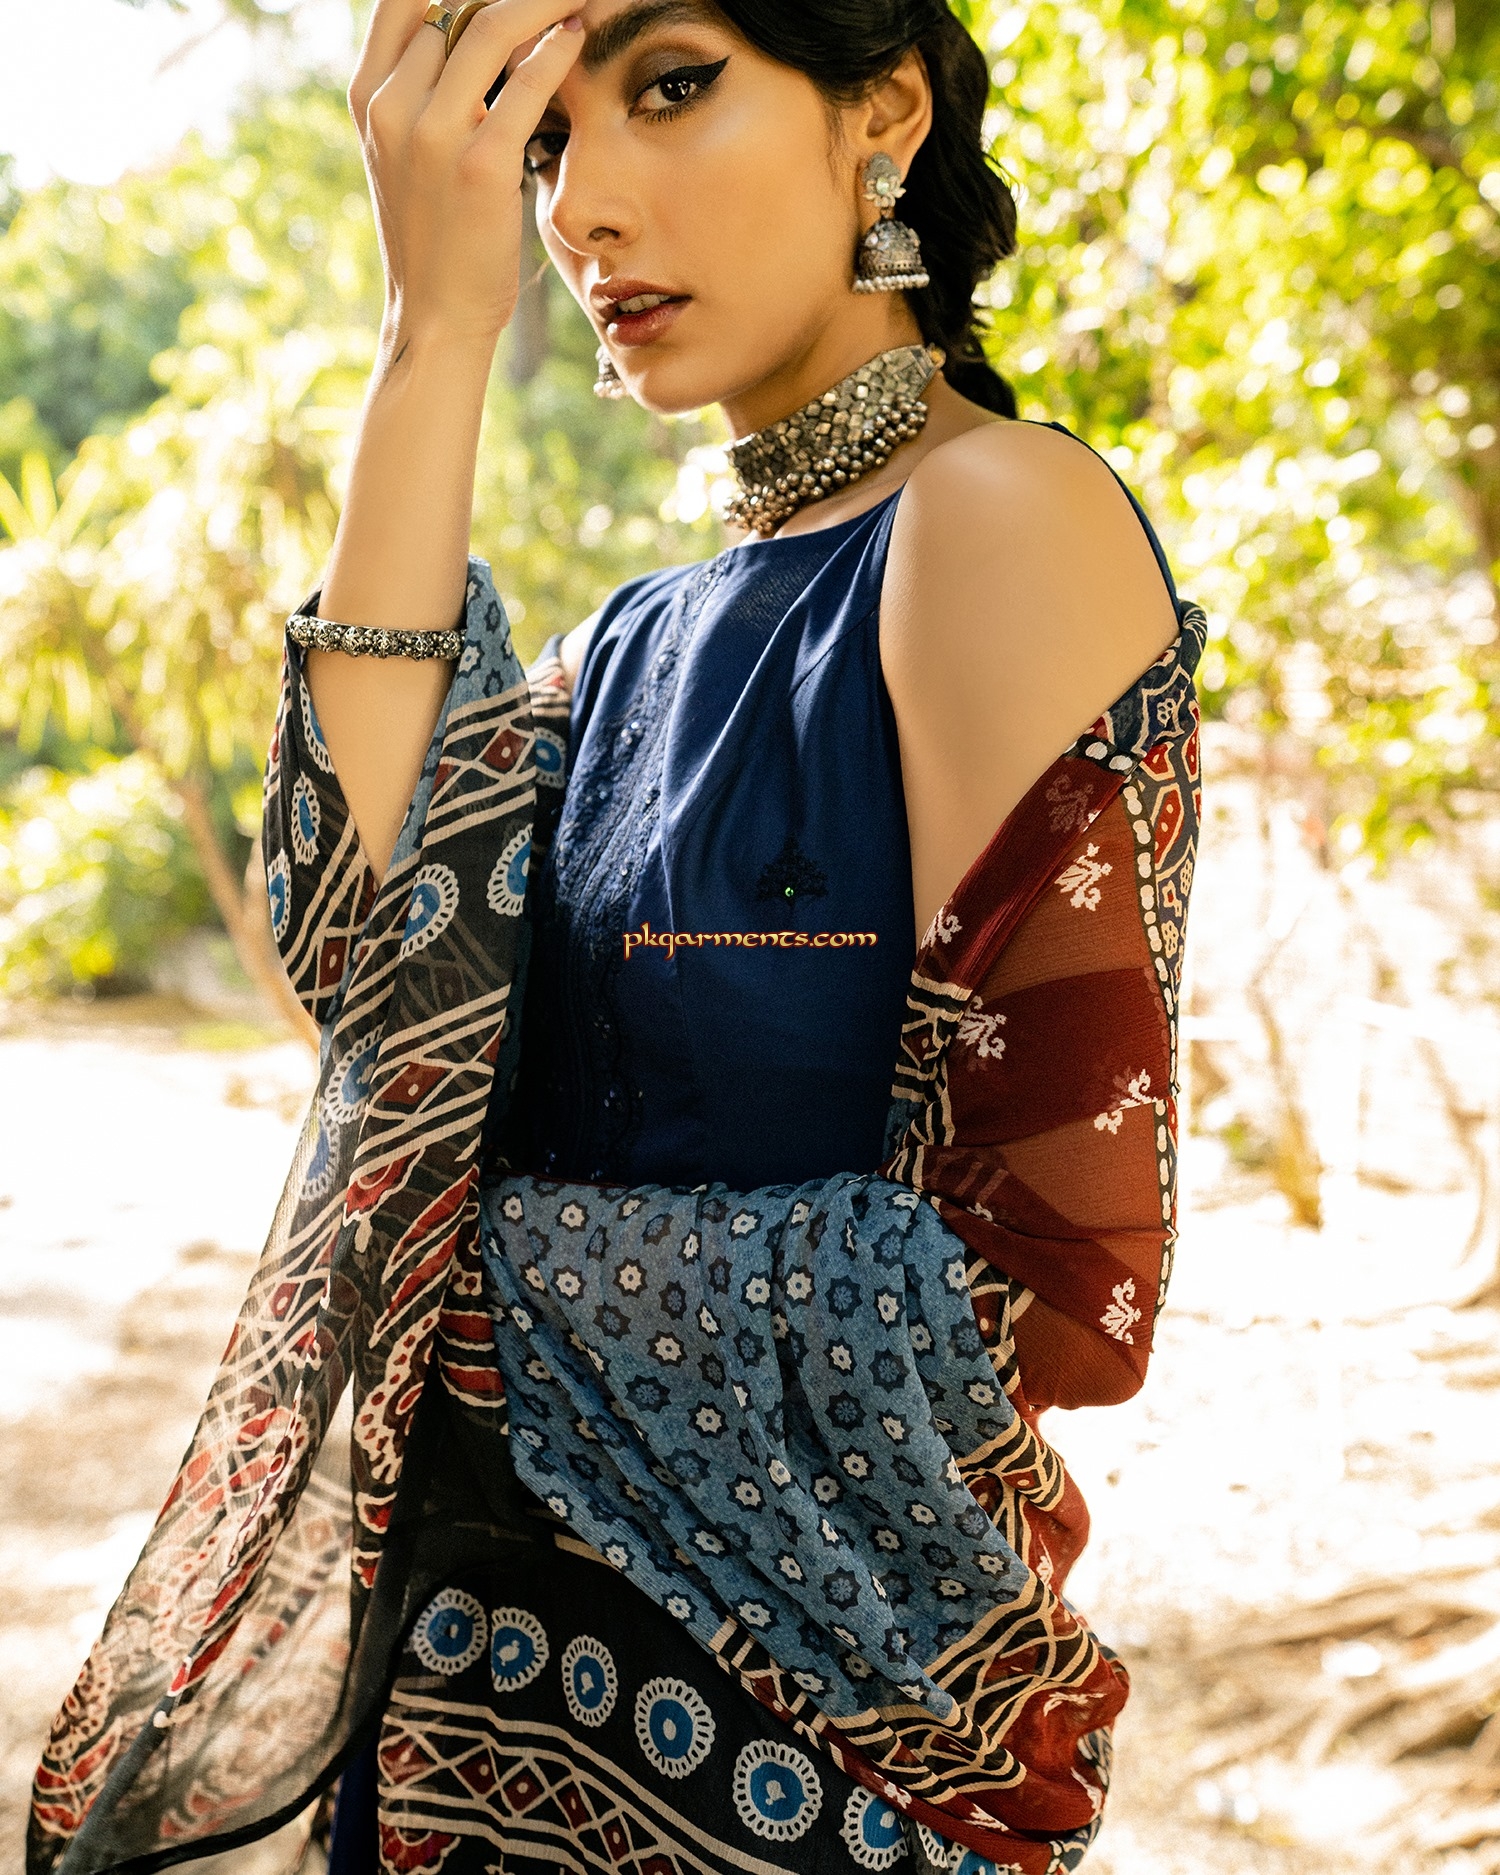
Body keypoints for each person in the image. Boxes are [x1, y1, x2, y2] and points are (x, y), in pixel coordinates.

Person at [29, 3, 1205, 1873]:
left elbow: (1055, 1280)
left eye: (671, 87)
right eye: (547, 145)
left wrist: (473, 1275)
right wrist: (433, 336)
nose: (582, 206)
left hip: (804, 1767)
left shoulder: (998, 519)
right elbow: (367, 959)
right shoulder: (635, 645)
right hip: (464, 1754)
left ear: (883, 111)